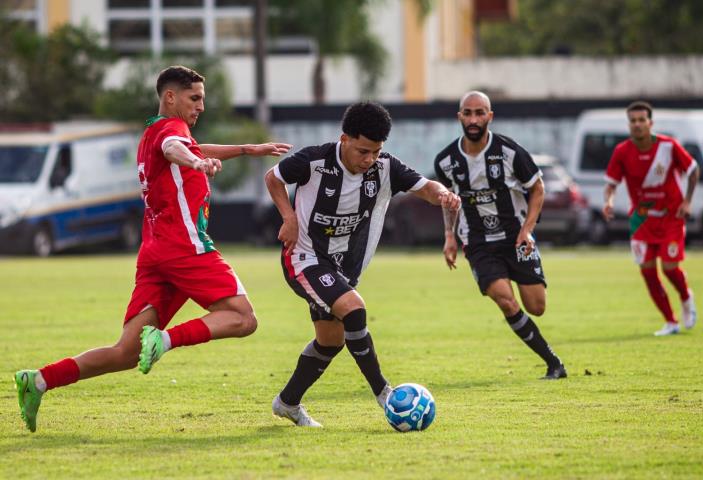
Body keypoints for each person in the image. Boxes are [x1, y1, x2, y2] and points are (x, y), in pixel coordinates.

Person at [14, 65, 292, 433]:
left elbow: (185, 147)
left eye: (203, 99)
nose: (201, 107)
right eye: (195, 98)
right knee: (243, 319)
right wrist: (196, 162)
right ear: (170, 97)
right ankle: (164, 340)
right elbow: (178, 149)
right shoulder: (171, 133)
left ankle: (39, 381)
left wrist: (243, 150)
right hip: (185, 247)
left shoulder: (151, 131)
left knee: (125, 352)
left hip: (156, 252)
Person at [265, 101, 460, 427]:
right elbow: (274, 177)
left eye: (375, 151)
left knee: (331, 340)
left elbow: (425, 187)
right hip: (304, 257)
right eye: (362, 151)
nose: (369, 159)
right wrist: (288, 218)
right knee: (354, 309)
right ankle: (384, 393)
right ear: (345, 139)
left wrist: (443, 195)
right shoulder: (314, 161)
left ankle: (287, 402)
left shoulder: (384, 167)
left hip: (343, 267)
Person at [434, 91, 566, 380]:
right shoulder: (446, 161)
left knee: (537, 306)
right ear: (460, 117)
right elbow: (448, 201)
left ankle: (552, 361)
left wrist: (528, 230)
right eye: (467, 113)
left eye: (479, 113)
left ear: (489, 117)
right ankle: (553, 362)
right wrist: (449, 236)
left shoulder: (509, 152)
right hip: (479, 243)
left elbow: (538, 188)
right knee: (506, 301)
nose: (473, 119)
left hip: (516, 238)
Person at [603, 101, 698, 336]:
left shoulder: (668, 146)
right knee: (647, 272)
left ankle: (686, 297)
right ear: (629, 125)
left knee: (669, 267)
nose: (637, 124)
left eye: (641, 120)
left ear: (650, 123)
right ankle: (671, 321)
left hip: (671, 216)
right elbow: (611, 184)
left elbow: (693, 170)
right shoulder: (622, 152)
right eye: (633, 121)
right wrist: (609, 201)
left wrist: (687, 201)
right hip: (641, 219)